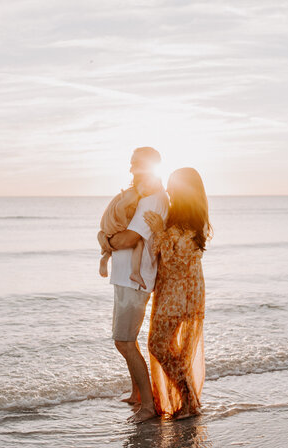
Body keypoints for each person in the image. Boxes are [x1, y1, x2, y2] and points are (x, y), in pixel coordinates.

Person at [97, 147, 169, 423]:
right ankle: (137, 393)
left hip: (134, 281)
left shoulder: (154, 200)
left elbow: (129, 239)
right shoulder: (145, 197)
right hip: (123, 276)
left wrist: (106, 241)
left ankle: (148, 406)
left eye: (135, 164)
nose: (131, 169)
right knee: (126, 341)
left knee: (124, 341)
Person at [144, 167, 211, 419]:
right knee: (166, 346)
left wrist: (160, 231)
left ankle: (188, 401)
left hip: (181, 294)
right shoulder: (176, 217)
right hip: (170, 290)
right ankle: (189, 401)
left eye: (173, 186)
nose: (170, 191)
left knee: (158, 345)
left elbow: (175, 262)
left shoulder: (193, 224)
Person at [98, 175, 161, 289]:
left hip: (110, 222)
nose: (147, 191)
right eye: (145, 186)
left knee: (116, 239)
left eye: (150, 189)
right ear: (137, 183)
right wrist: (125, 226)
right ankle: (135, 273)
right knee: (138, 242)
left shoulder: (135, 193)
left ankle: (105, 258)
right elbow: (119, 208)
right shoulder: (134, 193)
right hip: (114, 221)